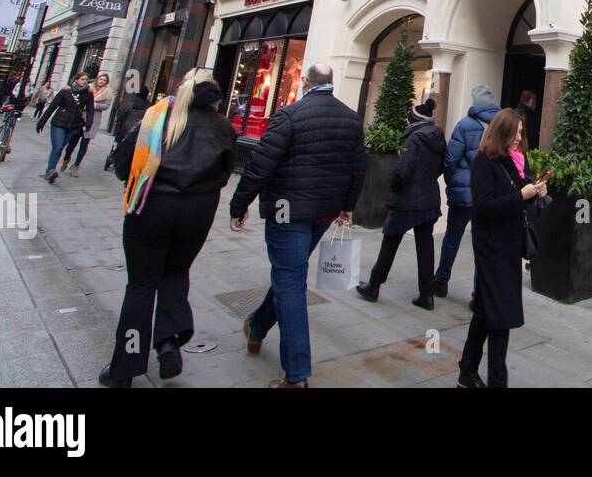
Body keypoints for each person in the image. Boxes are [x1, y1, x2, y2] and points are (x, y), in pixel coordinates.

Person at [229, 63, 366, 388]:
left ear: (306, 82)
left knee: (290, 283)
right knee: (288, 275)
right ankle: (257, 327)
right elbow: (358, 167)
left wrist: (239, 204)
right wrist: (347, 205)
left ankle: (297, 375)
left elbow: (261, 163)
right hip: (323, 212)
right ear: (330, 83)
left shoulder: (289, 115)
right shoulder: (350, 118)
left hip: (286, 213)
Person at [99, 69, 237, 387]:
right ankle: (167, 343)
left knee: (141, 286)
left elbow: (124, 164)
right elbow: (226, 170)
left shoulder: (157, 118)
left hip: (151, 208)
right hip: (197, 211)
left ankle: (124, 369)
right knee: (176, 274)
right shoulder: (224, 127)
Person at [458, 108, 545, 389]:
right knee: (501, 315)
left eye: (522, 133)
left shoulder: (517, 160)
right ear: (502, 132)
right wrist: (522, 194)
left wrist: (536, 191)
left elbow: (521, 196)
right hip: (492, 247)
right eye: (515, 133)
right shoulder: (485, 161)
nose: (520, 138)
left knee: (487, 310)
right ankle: (498, 381)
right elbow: (483, 208)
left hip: (510, 244)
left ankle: (466, 373)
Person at [357, 98, 445, 309]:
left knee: (390, 241)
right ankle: (426, 295)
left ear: (413, 120)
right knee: (425, 247)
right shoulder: (438, 137)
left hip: (407, 200)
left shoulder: (414, 139)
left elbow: (402, 171)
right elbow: (443, 165)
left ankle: (374, 285)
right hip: (429, 197)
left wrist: (395, 189)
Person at [434, 84, 500, 303]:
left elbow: (451, 159)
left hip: (463, 195)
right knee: (482, 247)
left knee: (452, 238)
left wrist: (455, 182)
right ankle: (477, 295)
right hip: (487, 196)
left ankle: (441, 282)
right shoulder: (500, 128)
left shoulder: (464, 125)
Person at [36, 74, 93, 184]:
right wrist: (42, 122)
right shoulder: (65, 91)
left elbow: (90, 110)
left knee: (60, 147)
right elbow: (53, 106)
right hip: (59, 123)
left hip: (74, 126)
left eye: (86, 79)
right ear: (76, 80)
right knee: (57, 147)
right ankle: (52, 170)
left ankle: (49, 171)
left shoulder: (88, 94)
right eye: (82, 79)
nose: (85, 81)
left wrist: (88, 124)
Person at [61, 72, 112, 177]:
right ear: (97, 79)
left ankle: (76, 166)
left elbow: (106, 106)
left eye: (104, 80)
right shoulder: (87, 87)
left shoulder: (107, 92)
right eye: (100, 79)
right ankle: (66, 158)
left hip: (93, 119)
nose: (101, 81)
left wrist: (92, 104)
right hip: (80, 117)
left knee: (84, 145)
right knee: (72, 142)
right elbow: (78, 99)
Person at [107, 86, 151, 171]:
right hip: (141, 129)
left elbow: (121, 116)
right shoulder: (149, 106)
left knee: (119, 144)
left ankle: (113, 157)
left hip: (126, 127)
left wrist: (120, 124)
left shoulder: (129, 104)